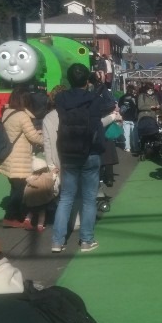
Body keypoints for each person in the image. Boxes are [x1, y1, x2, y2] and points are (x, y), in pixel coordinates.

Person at [51, 64, 115, 254]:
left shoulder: (61, 99)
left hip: (68, 150)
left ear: (69, 79)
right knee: (88, 198)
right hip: (91, 151)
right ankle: (86, 240)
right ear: (87, 80)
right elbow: (109, 105)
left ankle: (57, 241)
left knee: (66, 197)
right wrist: (101, 84)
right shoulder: (94, 99)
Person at [0, 88, 44, 228]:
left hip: (9, 157)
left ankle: (16, 214)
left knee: (15, 186)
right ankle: (10, 216)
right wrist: (45, 139)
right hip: (19, 158)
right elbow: (33, 136)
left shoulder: (7, 113)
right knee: (19, 189)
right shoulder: (22, 116)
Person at [117, 84, 138, 153]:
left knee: (126, 133)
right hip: (134, 117)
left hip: (125, 117)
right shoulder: (135, 97)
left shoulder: (122, 97)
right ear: (133, 90)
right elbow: (137, 107)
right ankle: (135, 147)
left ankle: (127, 147)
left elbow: (120, 106)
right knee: (134, 133)